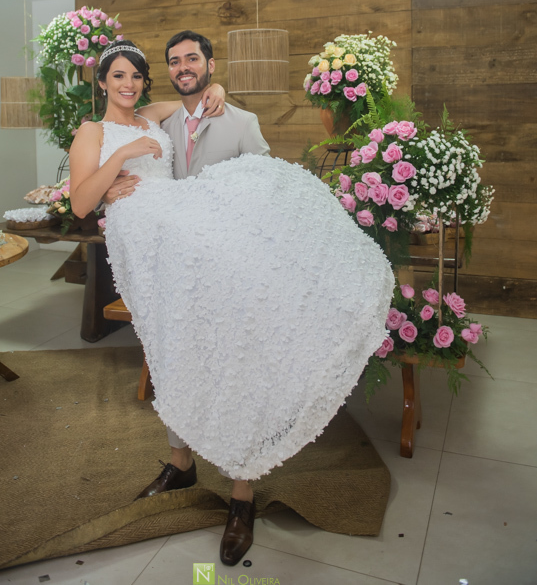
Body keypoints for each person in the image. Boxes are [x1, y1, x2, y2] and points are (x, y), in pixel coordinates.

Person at [70, 32, 395, 567]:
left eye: (135, 75)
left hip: (186, 229)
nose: (128, 84)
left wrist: (217, 86)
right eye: (117, 76)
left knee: (234, 340)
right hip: (148, 242)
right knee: (170, 351)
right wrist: (119, 161)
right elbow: (82, 201)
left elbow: (192, 98)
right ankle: (182, 464)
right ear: (101, 82)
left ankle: (242, 485)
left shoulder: (156, 113)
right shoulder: (94, 130)